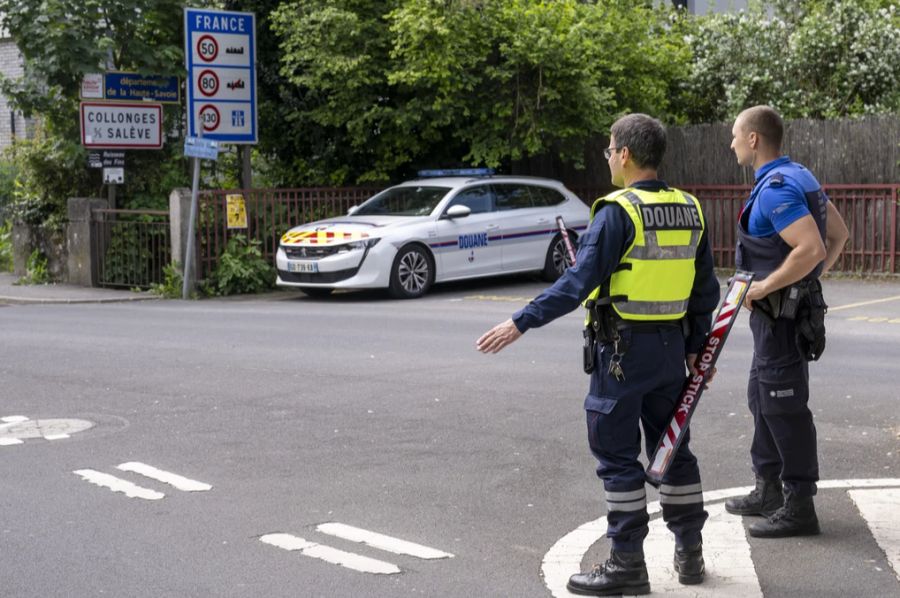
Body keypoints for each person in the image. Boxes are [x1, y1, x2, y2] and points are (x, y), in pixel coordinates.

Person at [476, 113, 720, 596]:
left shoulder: (617, 211)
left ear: (625, 154)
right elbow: (704, 289)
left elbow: (576, 284)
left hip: (621, 355)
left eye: (610, 150)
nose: (608, 158)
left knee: (616, 454)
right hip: (671, 351)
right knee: (672, 448)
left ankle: (627, 562)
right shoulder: (689, 208)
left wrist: (519, 321)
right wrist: (697, 349)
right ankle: (690, 552)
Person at [725, 105, 849, 538]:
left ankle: (799, 506)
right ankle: (769, 488)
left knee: (785, 407)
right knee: (761, 398)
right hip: (777, 319)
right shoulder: (800, 175)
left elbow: (813, 248)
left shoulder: (776, 189)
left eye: (737, 135)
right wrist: (808, 282)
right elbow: (840, 235)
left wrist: (767, 287)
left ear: (755, 139)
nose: (733, 142)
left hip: (780, 320)